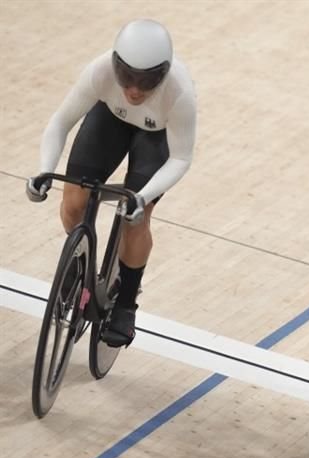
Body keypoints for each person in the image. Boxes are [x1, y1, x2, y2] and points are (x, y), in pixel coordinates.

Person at [26, 19, 197, 346]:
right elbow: (60, 123)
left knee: (135, 218)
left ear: (162, 74)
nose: (134, 90)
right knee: (74, 200)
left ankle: (126, 303)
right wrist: (44, 170)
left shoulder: (179, 93)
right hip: (111, 119)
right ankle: (77, 269)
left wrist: (142, 197)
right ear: (116, 64)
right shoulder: (100, 70)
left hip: (156, 136)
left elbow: (181, 159)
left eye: (146, 82)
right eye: (127, 78)